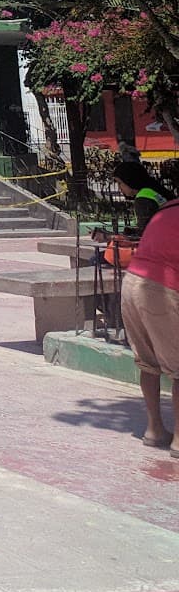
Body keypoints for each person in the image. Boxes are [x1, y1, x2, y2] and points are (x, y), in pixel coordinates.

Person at [123, 189, 179, 452]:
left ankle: (154, 429)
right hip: (160, 287)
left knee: (148, 363)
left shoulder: (167, 209)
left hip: (132, 283)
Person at [114, 159, 171, 235]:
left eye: (120, 183)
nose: (119, 187)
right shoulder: (154, 190)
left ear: (129, 180)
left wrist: (111, 237)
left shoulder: (143, 199)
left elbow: (144, 233)